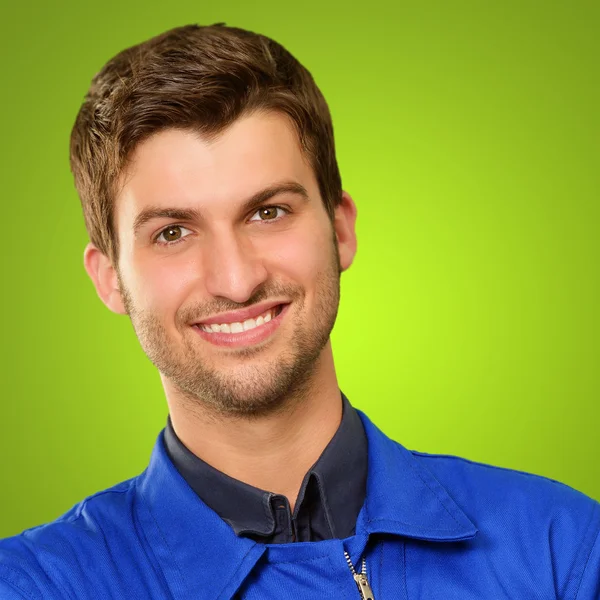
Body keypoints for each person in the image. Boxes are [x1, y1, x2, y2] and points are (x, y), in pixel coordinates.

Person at [0, 23, 598, 600]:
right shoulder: (31, 586)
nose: (236, 280)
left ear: (340, 230)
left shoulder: (559, 552)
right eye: (174, 232)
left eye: (269, 212)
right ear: (110, 279)